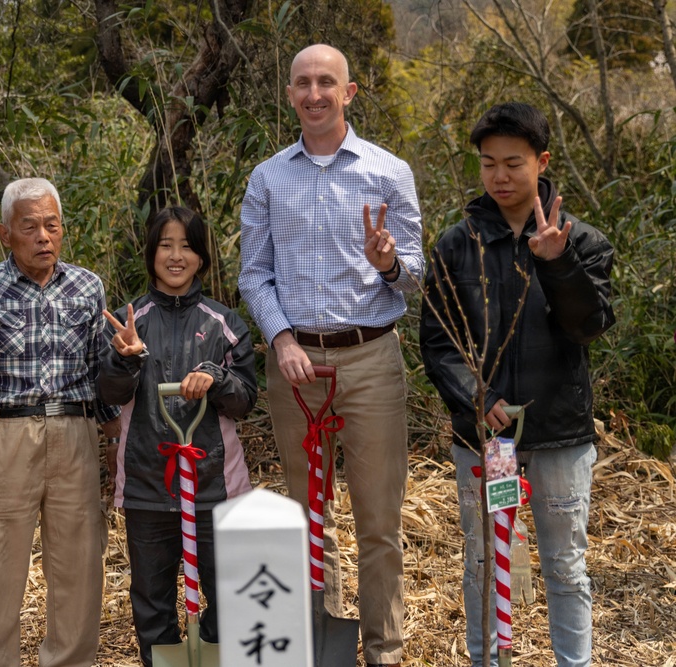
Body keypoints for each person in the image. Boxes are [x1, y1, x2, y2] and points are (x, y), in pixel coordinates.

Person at [238, 44, 423, 667]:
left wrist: (388, 264)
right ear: (290, 93)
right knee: (306, 514)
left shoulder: (388, 171)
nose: (314, 94)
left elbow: (417, 276)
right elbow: (254, 275)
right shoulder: (268, 177)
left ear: (349, 92)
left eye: (326, 82)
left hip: (370, 359)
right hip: (295, 366)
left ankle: (384, 651)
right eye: (302, 83)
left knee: (378, 519)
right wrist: (281, 339)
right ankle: (321, 646)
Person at [419, 102, 614, 667]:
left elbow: (589, 326)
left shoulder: (582, 240)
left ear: (542, 162)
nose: (499, 177)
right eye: (488, 164)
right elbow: (438, 340)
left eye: (513, 163)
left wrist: (558, 263)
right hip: (490, 438)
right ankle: (488, 660)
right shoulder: (457, 245)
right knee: (483, 560)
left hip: (558, 432)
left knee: (565, 566)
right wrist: (477, 399)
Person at [0, 177, 121, 667]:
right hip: (4, 432)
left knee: (79, 565)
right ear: (5, 234)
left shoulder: (87, 286)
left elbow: (98, 370)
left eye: (52, 225)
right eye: (30, 227)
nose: (43, 237)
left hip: (75, 433)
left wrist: (114, 438)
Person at [98, 206, 258, 666]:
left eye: (186, 246)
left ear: (201, 257)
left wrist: (216, 378)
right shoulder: (130, 322)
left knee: (229, 592)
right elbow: (109, 393)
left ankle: (214, 655)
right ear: (151, 254)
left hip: (215, 485)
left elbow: (245, 400)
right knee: (151, 599)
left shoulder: (225, 323)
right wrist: (126, 358)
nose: (175, 256)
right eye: (165, 245)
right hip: (148, 483)